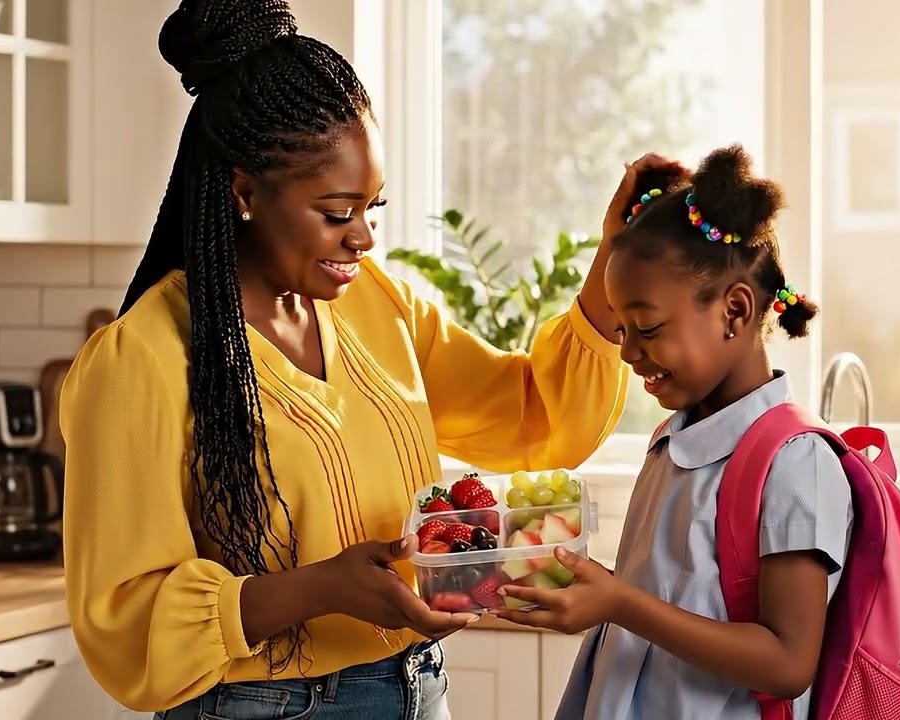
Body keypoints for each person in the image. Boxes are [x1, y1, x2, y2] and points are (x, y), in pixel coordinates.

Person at [58, 1, 684, 717]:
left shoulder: (375, 306)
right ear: (244, 193)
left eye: (372, 208)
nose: (364, 238)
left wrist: (614, 251)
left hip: (420, 688)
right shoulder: (140, 359)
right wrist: (318, 588)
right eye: (336, 213)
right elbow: (124, 620)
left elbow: (534, 416)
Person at [492, 144, 854, 720]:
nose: (627, 350)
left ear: (734, 312)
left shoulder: (795, 461)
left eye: (648, 327)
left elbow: (787, 662)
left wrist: (620, 603)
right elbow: (674, 599)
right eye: (620, 326)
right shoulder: (674, 439)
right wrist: (598, 593)